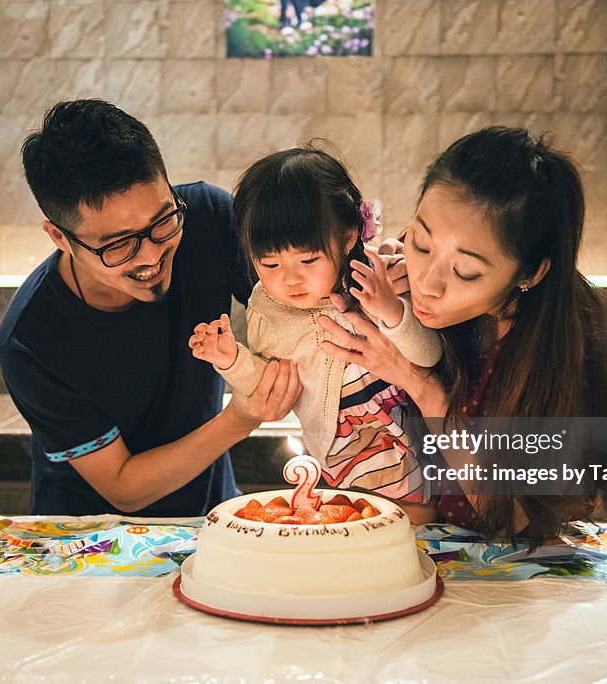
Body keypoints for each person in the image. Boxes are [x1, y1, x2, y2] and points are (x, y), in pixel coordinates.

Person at [318, 126, 607, 545]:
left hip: (519, 572)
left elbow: (512, 517)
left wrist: (418, 382)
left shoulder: (559, 346)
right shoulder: (406, 283)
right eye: (422, 244)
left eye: (465, 272)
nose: (429, 282)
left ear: (530, 273)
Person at [0, 99, 301, 517]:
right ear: (60, 237)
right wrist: (242, 417)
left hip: (208, 519)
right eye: (118, 245)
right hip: (92, 544)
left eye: (162, 222)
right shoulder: (31, 340)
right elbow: (124, 487)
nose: (151, 256)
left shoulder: (208, 219)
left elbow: (303, 294)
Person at [188, 145, 441, 514]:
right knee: (364, 523)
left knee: (414, 520)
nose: (290, 278)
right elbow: (275, 386)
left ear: (349, 238)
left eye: (308, 259)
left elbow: (428, 355)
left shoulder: (378, 277)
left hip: (414, 426)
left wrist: (390, 310)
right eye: (269, 263)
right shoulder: (266, 309)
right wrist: (231, 360)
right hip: (341, 448)